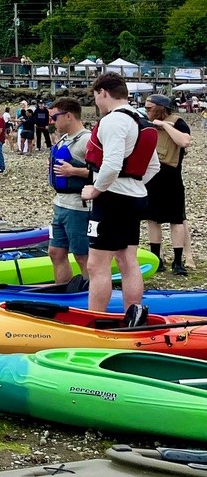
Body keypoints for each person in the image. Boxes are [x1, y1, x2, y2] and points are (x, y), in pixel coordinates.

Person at [81, 72, 159, 313]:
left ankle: (94, 321)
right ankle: (132, 315)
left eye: (96, 97)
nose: (96, 102)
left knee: (97, 265)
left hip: (112, 199)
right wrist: (133, 183)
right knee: (127, 260)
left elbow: (112, 164)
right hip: (135, 197)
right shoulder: (140, 119)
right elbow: (153, 165)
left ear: (103, 93)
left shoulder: (113, 120)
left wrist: (96, 189)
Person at [143, 93, 192, 275]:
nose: (146, 111)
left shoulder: (177, 122)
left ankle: (178, 261)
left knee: (176, 219)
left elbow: (184, 141)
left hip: (171, 176)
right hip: (151, 176)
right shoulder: (146, 122)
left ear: (159, 107)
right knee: (153, 219)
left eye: (149, 108)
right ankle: (157, 259)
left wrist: (163, 125)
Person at [47, 98, 92, 284]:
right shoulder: (64, 139)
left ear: (68, 116)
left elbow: (103, 172)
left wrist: (73, 171)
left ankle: (91, 293)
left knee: (82, 255)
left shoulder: (88, 140)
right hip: (60, 203)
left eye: (54, 117)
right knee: (55, 252)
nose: (52, 122)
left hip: (78, 206)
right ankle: (62, 292)